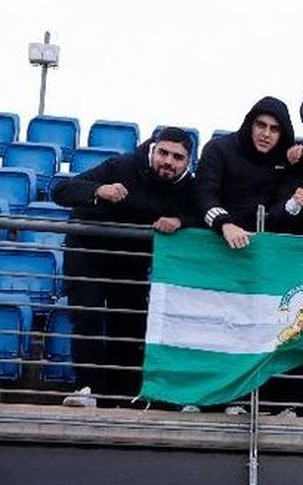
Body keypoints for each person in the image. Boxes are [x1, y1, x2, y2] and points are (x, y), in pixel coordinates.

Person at [50, 127, 196, 407]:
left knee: (128, 324)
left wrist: (180, 221)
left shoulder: (188, 187)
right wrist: (99, 190)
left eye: (177, 157)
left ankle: (121, 397)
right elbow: (61, 190)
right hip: (88, 249)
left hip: (132, 259)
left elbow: (202, 212)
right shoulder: (122, 165)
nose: (168, 161)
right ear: (153, 149)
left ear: (187, 162)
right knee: (88, 317)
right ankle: (87, 389)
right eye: (163, 152)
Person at [193, 97, 303, 249]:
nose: (266, 134)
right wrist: (225, 224)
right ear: (250, 124)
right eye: (261, 125)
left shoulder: (285, 160)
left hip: (260, 252)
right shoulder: (218, 149)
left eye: (274, 129)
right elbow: (203, 195)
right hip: (214, 243)